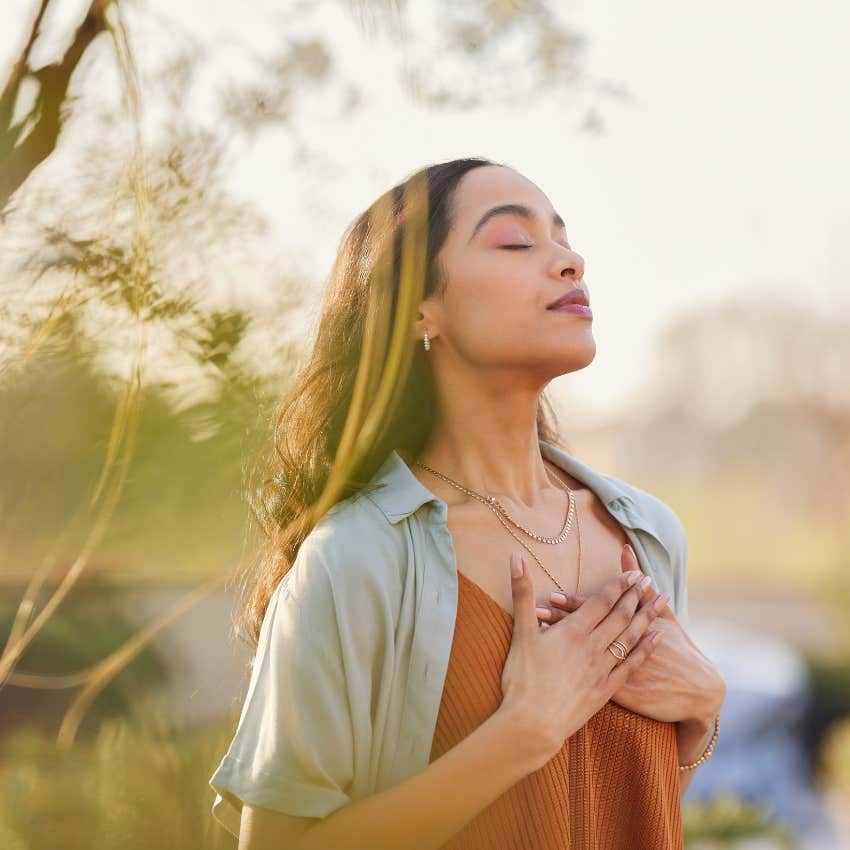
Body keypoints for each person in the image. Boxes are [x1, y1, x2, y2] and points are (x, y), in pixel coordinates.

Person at [208, 157, 726, 849]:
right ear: (420, 310)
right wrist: (522, 733)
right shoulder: (355, 559)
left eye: (563, 239)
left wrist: (700, 718)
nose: (570, 261)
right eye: (515, 242)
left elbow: (625, 807)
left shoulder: (650, 534)